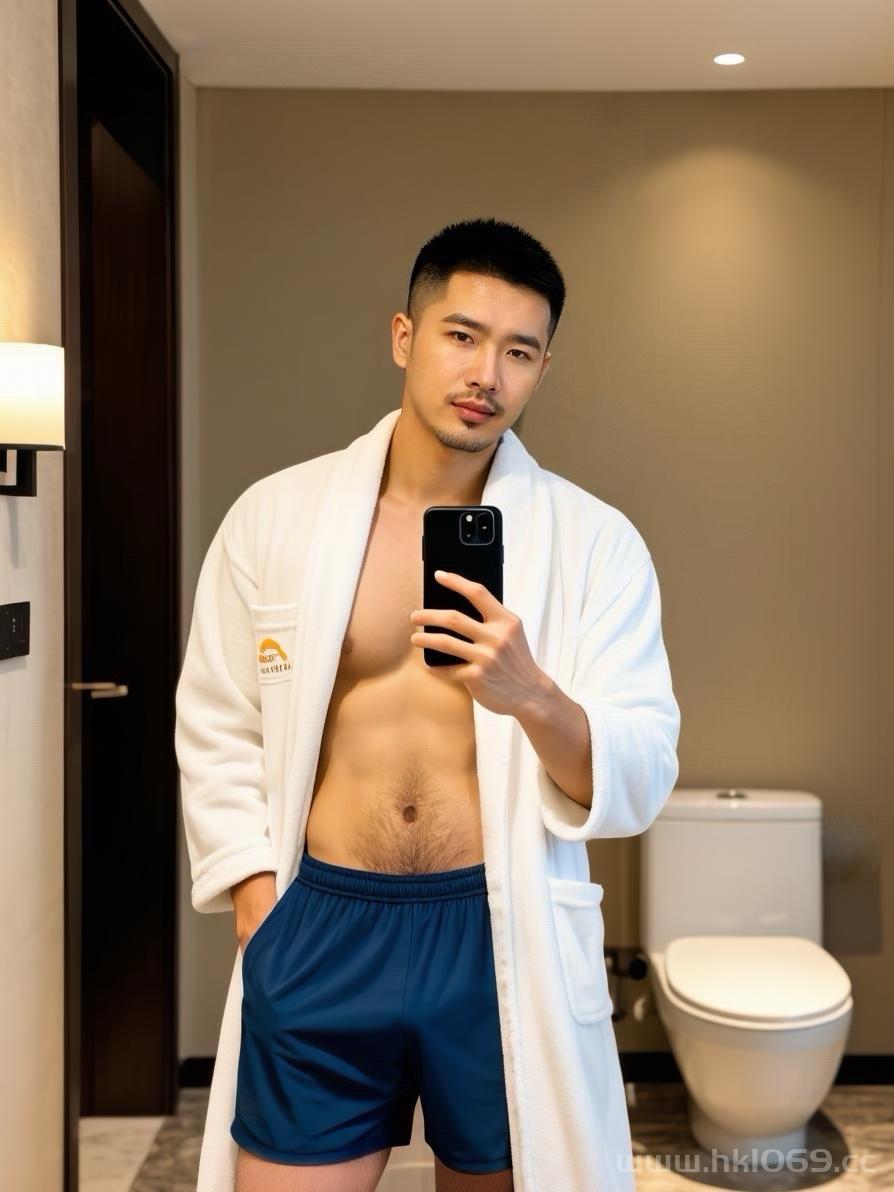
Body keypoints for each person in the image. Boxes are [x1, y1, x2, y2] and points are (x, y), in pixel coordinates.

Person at [176, 216, 681, 1192]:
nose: (486, 373)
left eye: (519, 351)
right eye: (462, 335)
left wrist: (532, 695)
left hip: (496, 929)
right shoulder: (276, 517)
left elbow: (643, 764)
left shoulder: (595, 544)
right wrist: (255, 899)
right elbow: (218, 719)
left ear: (542, 369)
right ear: (404, 337)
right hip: (323, 922)